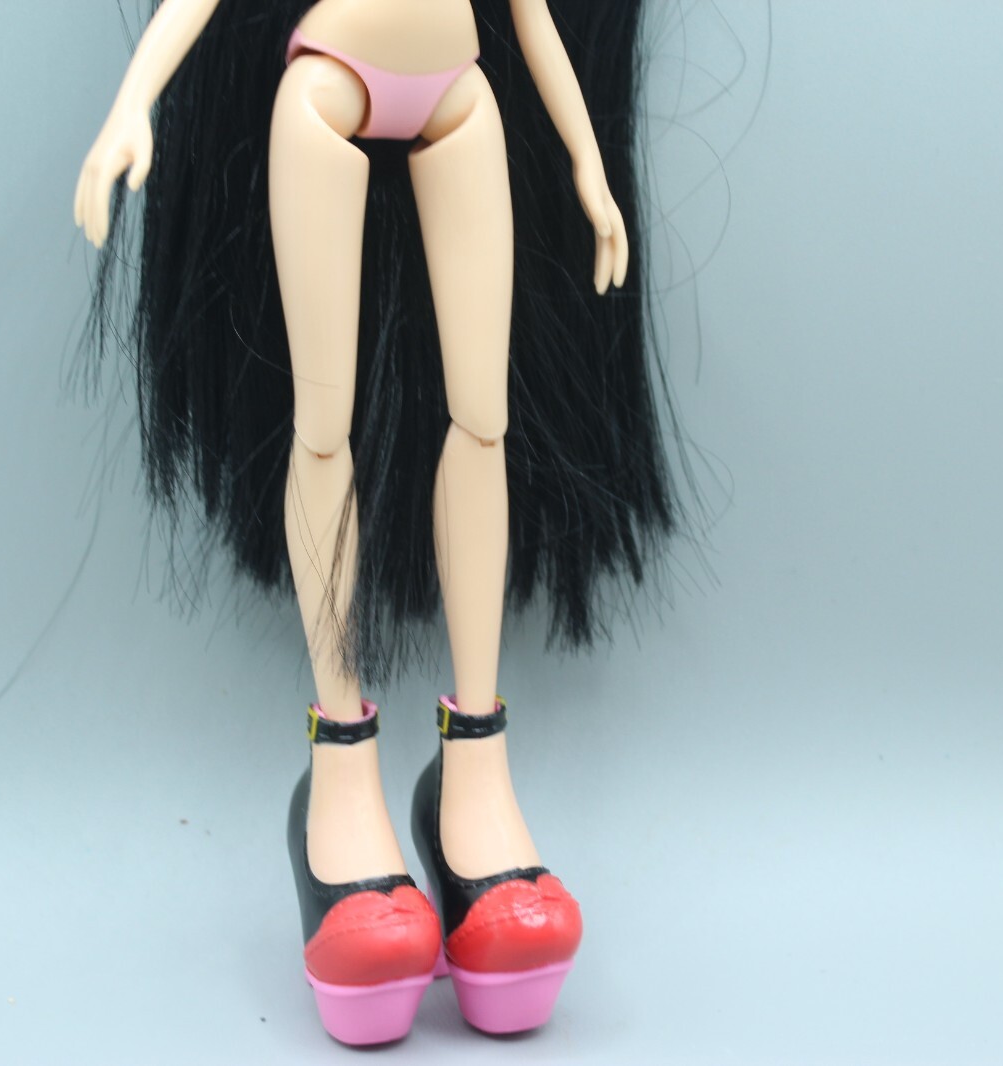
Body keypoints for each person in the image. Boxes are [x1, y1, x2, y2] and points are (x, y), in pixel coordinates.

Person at [74, 0, 666, 1043]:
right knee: (322, 429)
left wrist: (587, 162)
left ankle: (473, 775)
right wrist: (133, 103)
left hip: (460, 90)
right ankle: (340, 779)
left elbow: (530, 17)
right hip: (326, 82)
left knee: (483, 421)